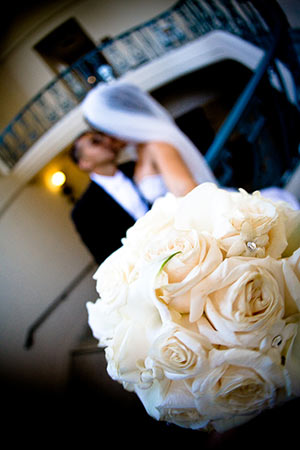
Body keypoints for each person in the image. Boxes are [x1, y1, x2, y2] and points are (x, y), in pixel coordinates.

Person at [70, 80, 217, 265]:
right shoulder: (136, 158)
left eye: (103, 134)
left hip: (187, 240)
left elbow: (189, 194)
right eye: (97, 140)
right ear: (84, 162)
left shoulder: (154, 147)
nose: (107, 140)